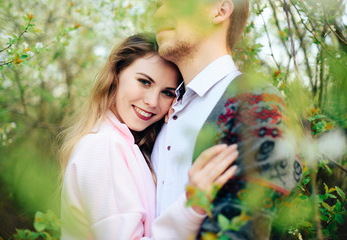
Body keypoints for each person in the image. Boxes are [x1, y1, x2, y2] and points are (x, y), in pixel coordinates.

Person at [59, 33, 239, 239]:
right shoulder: (104, 146)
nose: (153, 102)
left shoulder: (125, 143)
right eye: (145, 82)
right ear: (116, 74)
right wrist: (191, 206)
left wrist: (175, 123)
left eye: (168, 93)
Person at [152, 0, 303, 239]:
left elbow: (247, 228)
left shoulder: (257, 103)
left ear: (219, 10)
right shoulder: (158, 111)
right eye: (158, 5)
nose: (159, 14)